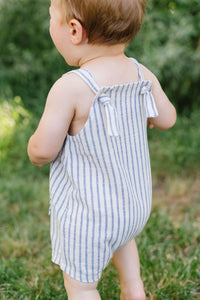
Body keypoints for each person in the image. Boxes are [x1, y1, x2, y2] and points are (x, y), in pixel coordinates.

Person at [27, 0, 176, 299]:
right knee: (121, 237)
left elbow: (42, 151)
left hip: (89, 218)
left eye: (50, 18)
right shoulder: (140, 72)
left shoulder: (71, 87)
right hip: (133, 208)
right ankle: (133, 289)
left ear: (74, 30)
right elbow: (167, 119)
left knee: (81, 286)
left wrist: (33, 145)